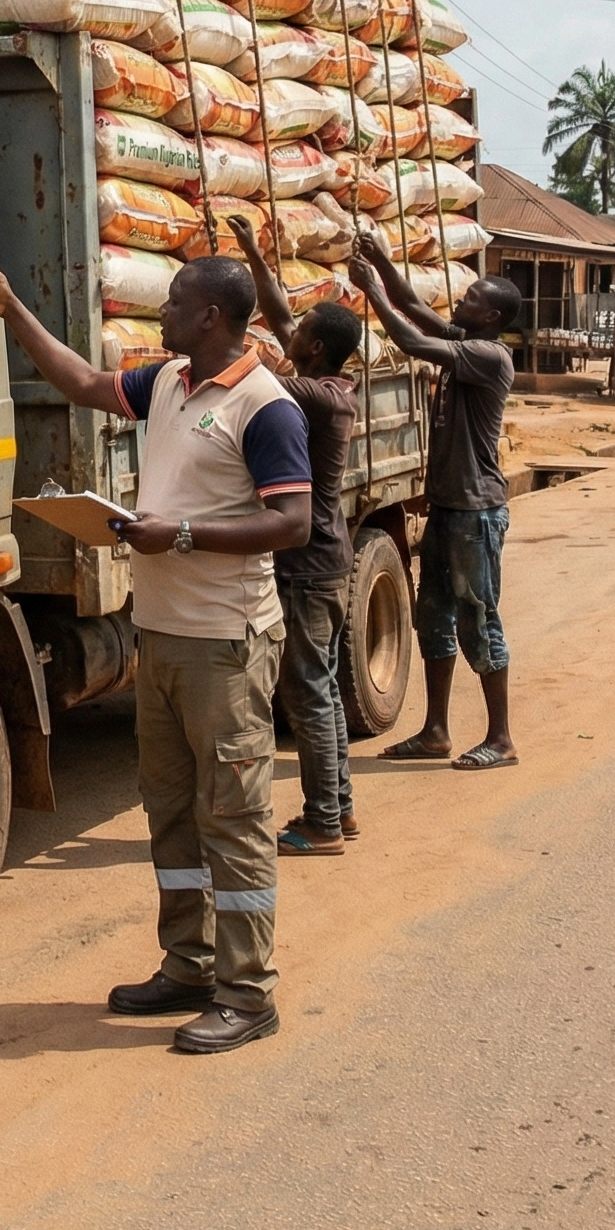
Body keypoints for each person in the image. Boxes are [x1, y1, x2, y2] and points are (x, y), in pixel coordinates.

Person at [0, 251, 311, 1055]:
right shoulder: (166, 383)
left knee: (234, 818)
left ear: (211, 319)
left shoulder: (266, 407)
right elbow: (85, 384)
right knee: (170, 813)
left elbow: (292, 524)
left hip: (226, 644)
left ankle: (248, 991)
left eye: (175, 301)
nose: (160, 311)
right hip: (161, 636)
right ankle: (188, 965)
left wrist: (181, 534)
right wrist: (12, 306)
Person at [346, 232, 523, 771]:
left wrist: (370, 292)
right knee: (434, 618)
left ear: (491, 316)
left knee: (478, 618)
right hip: (449, 507)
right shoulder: (468, 342)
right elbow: (417, 309)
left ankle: (501, 737)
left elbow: (413, 339)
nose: (460, 302)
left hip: (476, 511)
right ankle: (436, 730)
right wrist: (381, 262)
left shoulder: (488, 357)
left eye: (471, 299)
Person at [227, 216, 367, 858]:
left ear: (314, 352)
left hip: (310, 568)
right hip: (327, 562)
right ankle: (340, 807)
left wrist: (224, 327)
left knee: (307, 690)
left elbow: (258, 372)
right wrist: (256, 253)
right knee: (327, 685)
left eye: (302, 335)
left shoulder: (317, 396)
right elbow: (283, 318)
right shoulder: (328, 379)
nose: (292, 335)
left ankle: (322, 821)